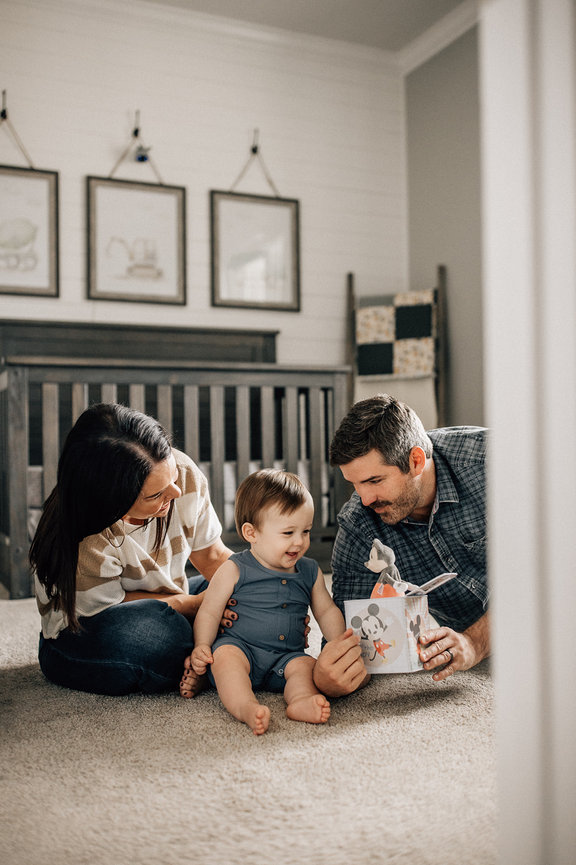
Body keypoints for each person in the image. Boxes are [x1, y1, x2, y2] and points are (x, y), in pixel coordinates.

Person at [30, 403, 234, 696]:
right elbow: (117, 605)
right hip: (88, 627)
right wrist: (199, 605)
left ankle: (209, 654)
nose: (175, 493)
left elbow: (214, 557)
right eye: (155, 494)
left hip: (168, 594)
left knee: (236, 587)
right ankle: (217, 650)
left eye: (173, 477)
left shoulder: (183, 475)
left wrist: (261, 590)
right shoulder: (85, 536)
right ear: (112, 499)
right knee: (162, 639)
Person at [325, 393, 489, 684]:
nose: (365, 499)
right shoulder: (359, 525)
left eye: (375, 481)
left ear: (415, 461)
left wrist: (474, 643)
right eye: (355, 484)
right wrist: (332, 675)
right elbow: (347, 635)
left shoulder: (490, 463)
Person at [185, 469, 347, 735]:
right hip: (241, 648)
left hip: (287, 656)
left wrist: (339, 643)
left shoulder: (309, 571)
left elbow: (326, 611)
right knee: (225, 660)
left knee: (306, 668)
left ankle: (300, 701)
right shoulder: (234, 568)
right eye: (288, 533)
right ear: (251, 533)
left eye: (305, 531)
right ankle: (246, 707)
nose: (299, 541)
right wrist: (202, 645)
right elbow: (210, 611)